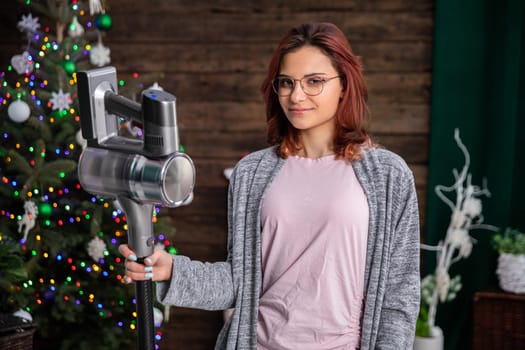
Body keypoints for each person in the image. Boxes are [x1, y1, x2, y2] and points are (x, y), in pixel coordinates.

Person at [119, 22, 420, 350]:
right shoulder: (252, 173)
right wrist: (173, 270)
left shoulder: (388, 176)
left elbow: (398, 297)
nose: (297, 95)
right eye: (287, 83)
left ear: (345, 85)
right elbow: (238, 282)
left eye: (314, 82)